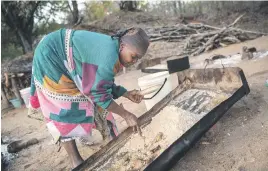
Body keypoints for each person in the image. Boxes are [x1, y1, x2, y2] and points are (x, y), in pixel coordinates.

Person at [29, 27, 150, 168]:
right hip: (51, 56)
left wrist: (126, 93)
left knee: (93, 99)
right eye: (134, 56)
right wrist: (127, 115)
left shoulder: (114, 49)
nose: (134, 61)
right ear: (122, 46)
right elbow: (100, 94)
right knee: (64, 109)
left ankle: (110, 140)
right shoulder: (109, 57)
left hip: (60, 50)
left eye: (138, 59)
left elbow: (101, 83)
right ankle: (76, 161)